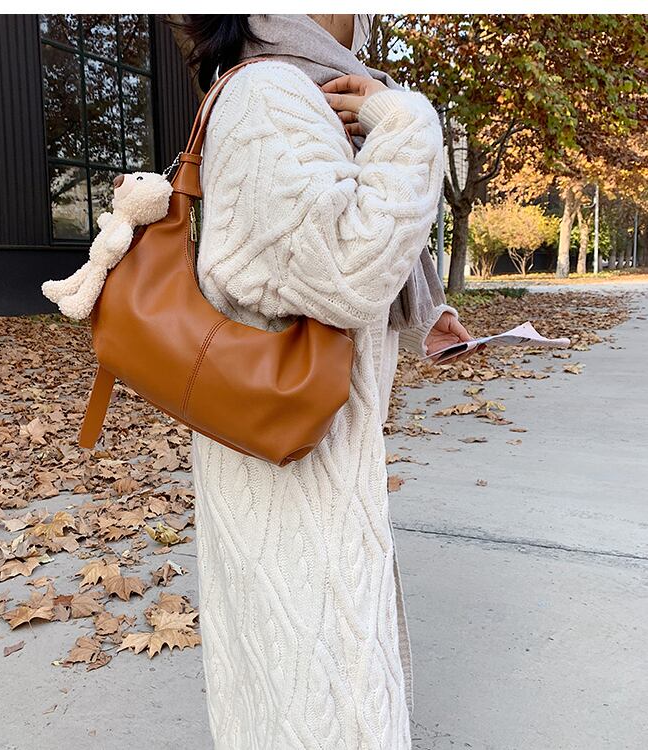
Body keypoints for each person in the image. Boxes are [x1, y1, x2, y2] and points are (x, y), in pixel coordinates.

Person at [176, 13, 476, 749]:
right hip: (294, 458)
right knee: (326, 697)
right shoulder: (271, 95)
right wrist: (408, 122)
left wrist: (424, 308)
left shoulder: (292, 89)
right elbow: (346, 268)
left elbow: (309, 255)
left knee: (298, 689)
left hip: (295, 445)